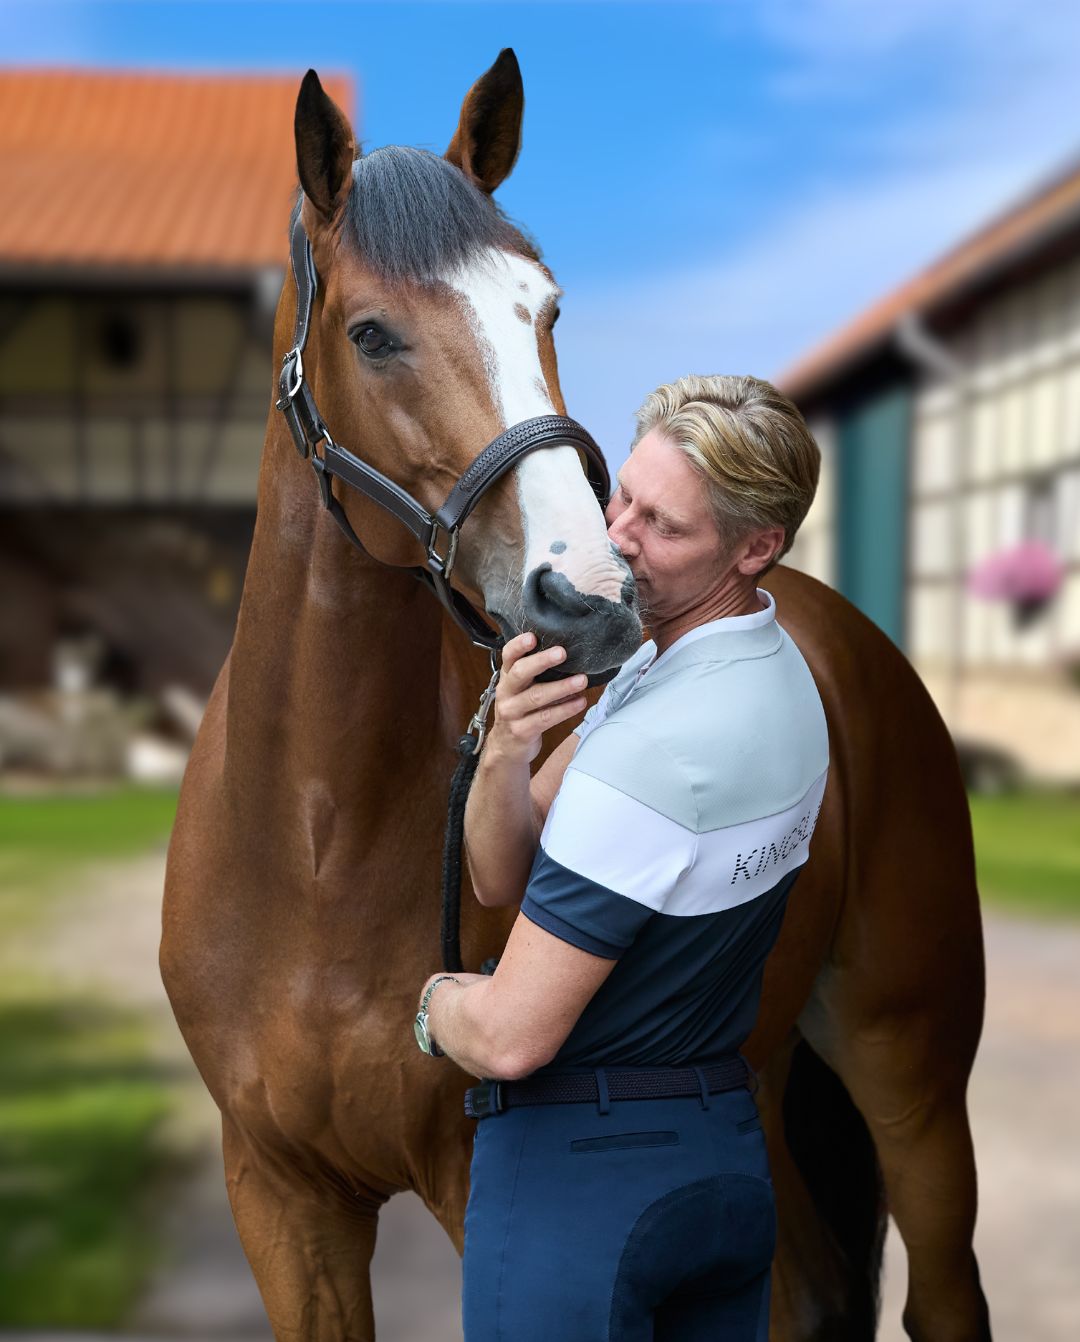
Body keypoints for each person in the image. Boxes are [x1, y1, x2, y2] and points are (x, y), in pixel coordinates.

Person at [414, 374, 829, 1341]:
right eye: (622, 499)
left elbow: (513, 1036)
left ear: (756, 546)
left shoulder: (652, 755)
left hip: (583, 1187)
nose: (619, 539)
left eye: (664, 526)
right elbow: (502, 873)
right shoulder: (767, 680)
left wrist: (432, 1006)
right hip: (721, 1155)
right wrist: (509, 752)